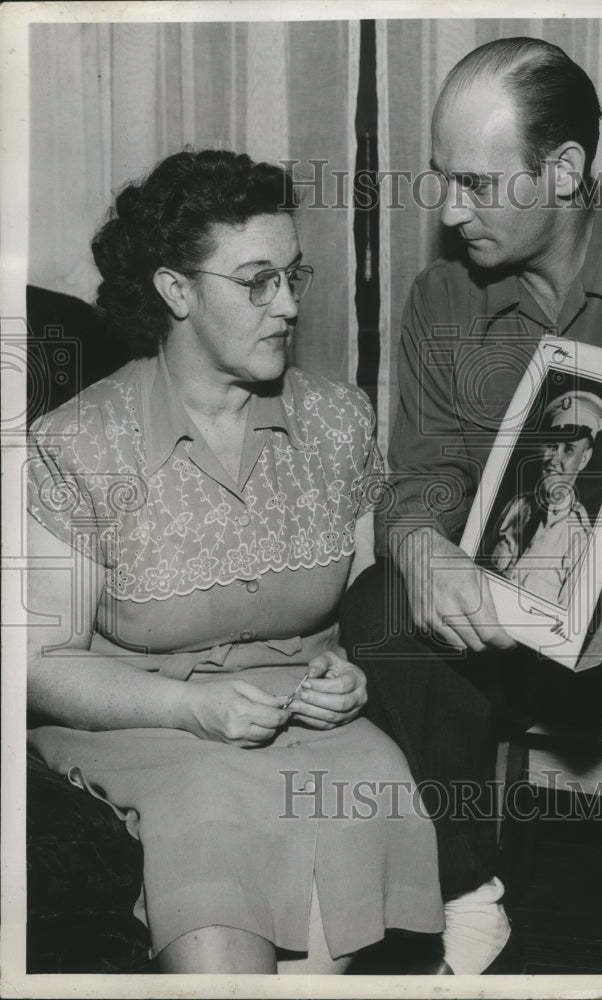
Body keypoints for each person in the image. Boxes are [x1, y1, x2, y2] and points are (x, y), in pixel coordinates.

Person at [341, 36, 602, 976]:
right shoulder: (441, 296)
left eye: (479, 184)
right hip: (507, 624)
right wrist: (420, 546)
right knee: (378, 603)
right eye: (443, 178)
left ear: (563, 170)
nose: (451, 210)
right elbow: (422, 476)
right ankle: (469, 906)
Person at [26, 149, 445, 974]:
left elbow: (365, 589)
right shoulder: (76, 442)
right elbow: (40, 666)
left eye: (294, 275)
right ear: (175, 291)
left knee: (372, 774)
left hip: (315, 727)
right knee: (211, 800)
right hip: (149, 726)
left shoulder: (336, 420)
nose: (287, 304)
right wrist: (194, 711)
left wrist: (356, 672)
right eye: (256, 281)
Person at [488, 391, 602, 606]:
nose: (554, 459)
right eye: (552, 446)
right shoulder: (515, 506)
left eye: (568, 450)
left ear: (584, 460)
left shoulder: (581, 541)